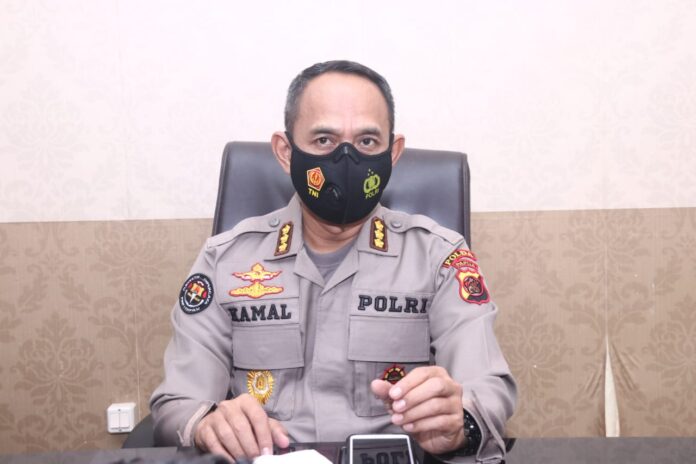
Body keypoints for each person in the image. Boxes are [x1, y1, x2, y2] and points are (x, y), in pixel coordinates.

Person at [150, 60, 516, 463]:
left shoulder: (439, 258)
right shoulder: (224, 260)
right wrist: (207, 423)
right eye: (324, 139)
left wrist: (459, 422)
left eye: (367, 142)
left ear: (393, 153)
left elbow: (488, 388)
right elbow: (179, 402)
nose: (346, 159)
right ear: (286, 152)